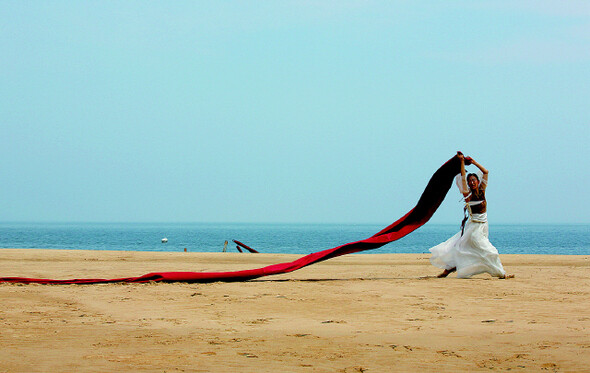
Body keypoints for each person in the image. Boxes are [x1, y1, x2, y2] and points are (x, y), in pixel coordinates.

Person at [429, 152, 513, 279]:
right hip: (474, 228)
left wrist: (474, 162)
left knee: (461, 249)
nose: (472, 182)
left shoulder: (482, 191)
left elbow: (486, 172)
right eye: (470, 181)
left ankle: (447, 271)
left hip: (483, 226)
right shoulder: (467, 195)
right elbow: (463, 176)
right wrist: (462, 161)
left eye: (474, 180)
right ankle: (502, 274)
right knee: (490, 251)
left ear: (477, 181)